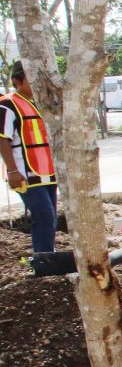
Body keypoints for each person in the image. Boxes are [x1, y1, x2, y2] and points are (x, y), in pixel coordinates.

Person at [0, 61, 58, 253]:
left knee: (50, 216)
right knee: (43, 215)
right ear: (17, 81)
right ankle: (43, 259)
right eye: (30, 79)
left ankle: (47, 255)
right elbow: (3, 139)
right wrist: (12, 170)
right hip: (26, 173)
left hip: (47, 171)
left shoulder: (40, 103)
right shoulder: (8, 104)